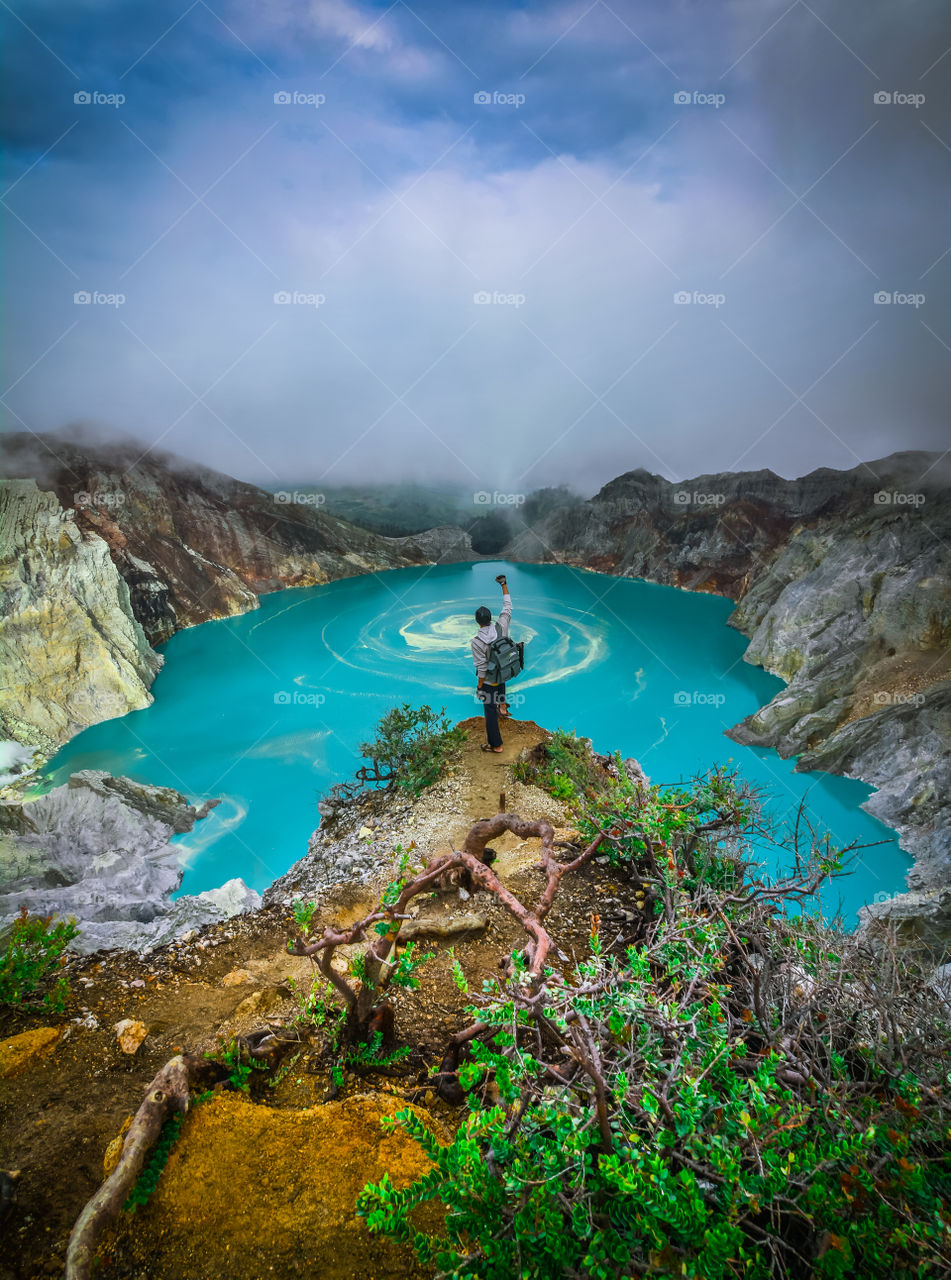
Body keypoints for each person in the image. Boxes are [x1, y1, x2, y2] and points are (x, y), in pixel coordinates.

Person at [472, 574, 512, 753]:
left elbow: (481, 668)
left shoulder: (477, 642)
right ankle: (502, 706)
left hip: (490, 681)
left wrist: (479, 688)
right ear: (490, 618)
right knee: (499, 676)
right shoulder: (501, 627)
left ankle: (496, 745)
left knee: (489, 712)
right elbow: (508, 607)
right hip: (503, 672)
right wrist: (503, 584)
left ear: (477, 621)